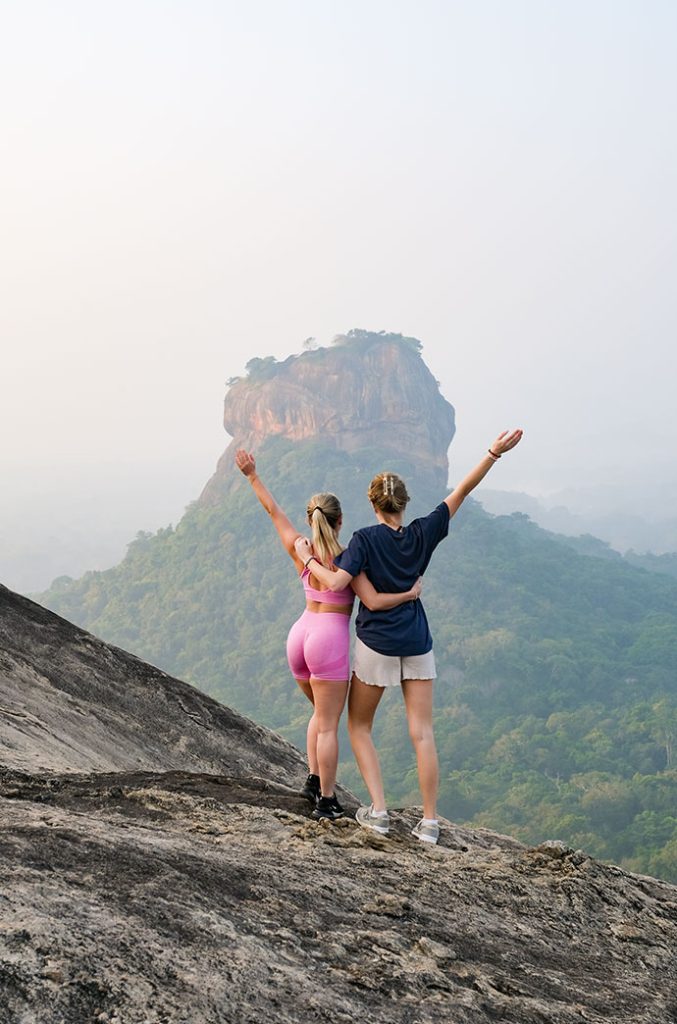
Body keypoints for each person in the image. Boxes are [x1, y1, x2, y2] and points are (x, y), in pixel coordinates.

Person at [295, 429, 523, 843]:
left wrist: (308, 558)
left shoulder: (364, 540)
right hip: (418, 642)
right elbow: (462, 492)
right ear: (405, 502)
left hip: (376, 645)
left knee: (359, 726)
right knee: (423, 732)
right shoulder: (423, 532)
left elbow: (335, 583)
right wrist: (493, 452)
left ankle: (378, 812)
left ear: (372, 503)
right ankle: (431, 823)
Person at [235, 449, 422, 822]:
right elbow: (373, 599)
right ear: (340, 522)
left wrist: (252, 475)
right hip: (328, 642)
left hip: (299, 635)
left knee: (321, 716)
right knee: (330, 725)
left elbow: (273, 511)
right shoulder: (351, 554)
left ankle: (312, 778)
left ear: (311, 519)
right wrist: (409, 594)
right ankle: (326, 800)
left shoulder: (300, 548)